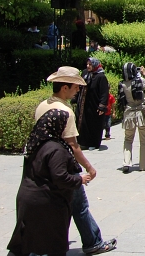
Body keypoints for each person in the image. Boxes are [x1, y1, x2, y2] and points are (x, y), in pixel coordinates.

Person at [33, 66, 116, 255]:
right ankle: (93, 241)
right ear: (64, 88)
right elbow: (73, 145)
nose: (78, 89)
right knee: (80, 206)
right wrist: (89, 167)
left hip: (45, 165)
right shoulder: (65, 111)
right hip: (64, 165)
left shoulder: (43, 105)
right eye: (75, 86)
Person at [8, 109, 92, 256]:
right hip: (47, 202)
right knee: (53, 245)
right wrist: (79, 179)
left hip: (28, 199)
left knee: (27, 241)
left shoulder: (35, 142)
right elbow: (60, 177)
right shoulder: (56, 149)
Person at [119, 62, 145, 173]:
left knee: (128, 139)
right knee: (144, 140)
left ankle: (126, 162)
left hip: (128, 113)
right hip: (141, 113)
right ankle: (143, 165)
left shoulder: (122, 84)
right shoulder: (139, 81)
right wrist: (144, 73)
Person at [76, 57, 110, 150]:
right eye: (87, 64)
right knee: (83, 123)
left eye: (90, 64)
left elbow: (104, 93)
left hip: (94, 105)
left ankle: (94, 143)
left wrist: (102, 106)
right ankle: (83, 142)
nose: (88, 66)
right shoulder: (85, 73)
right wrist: (75, 98)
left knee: (94, 124)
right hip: (84, 104)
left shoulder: (101, 76)